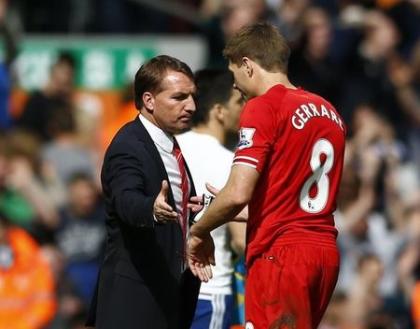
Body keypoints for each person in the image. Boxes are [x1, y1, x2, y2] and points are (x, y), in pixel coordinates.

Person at [187, 22, 346, 329]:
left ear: (247, 65)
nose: (235, 86)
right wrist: (219, 206)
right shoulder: (330, 112)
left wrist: (199, 231)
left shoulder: (264, 107)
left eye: (234, 74)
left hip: (281, 255)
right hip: (324, 253)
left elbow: (237, 193)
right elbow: (295, 201)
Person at [87, 55, 201, 329]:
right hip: (135, 301)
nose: (192, 106)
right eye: (179, 97)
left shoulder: (168, 144)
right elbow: (126, 198)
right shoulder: (128, 145)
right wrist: (150, 208)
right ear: (149, 101)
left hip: (170, 295)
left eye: (192, 96)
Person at [176, 69, 246, 329]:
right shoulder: (231, 163)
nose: (244, 110)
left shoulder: (170, 149)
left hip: (167, 288)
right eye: (238, 102)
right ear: (219, 111)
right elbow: (241, 240)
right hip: (208, 290)